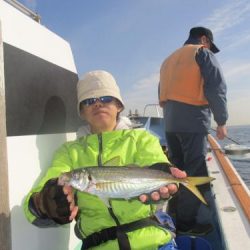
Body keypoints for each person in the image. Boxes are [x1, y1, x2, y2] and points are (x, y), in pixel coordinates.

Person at [24, 70, 186, 250]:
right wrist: (42, 203)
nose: (98, 104)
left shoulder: (142, 139)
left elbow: (156, 164)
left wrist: (165, 173)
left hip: (152, 241)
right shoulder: (69, 152)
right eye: (89, 101)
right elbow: (38, 198)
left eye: (106, 98)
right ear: (82, 112)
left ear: (119, 105)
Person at [159, 26, 228, 235]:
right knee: (192, 174)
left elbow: (161, 94)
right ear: (204, 40)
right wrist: (221, 121)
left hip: (170, 124)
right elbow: (216, 87)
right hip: (193, 122)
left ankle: (177, 214)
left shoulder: (167, 60)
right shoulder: (202, 53)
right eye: (210, 45)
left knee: (177, 171)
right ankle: (187, 224)